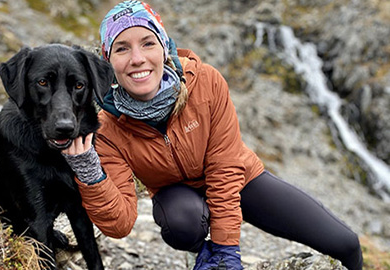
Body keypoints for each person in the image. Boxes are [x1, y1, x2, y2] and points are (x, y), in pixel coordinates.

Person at [62, 1, 364, 269]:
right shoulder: (106, 126)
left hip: (239, 178)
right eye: (122, 48)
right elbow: (121, 223)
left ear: (164, 47)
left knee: (346, 243)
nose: (137, 58)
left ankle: (216, 252)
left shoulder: (205, 82)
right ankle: (204, 254)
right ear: (107, 60)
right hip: (178, 198)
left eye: (147, 43)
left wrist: (226, 246)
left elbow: (225, 167)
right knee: (181, 221)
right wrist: (89, 171)